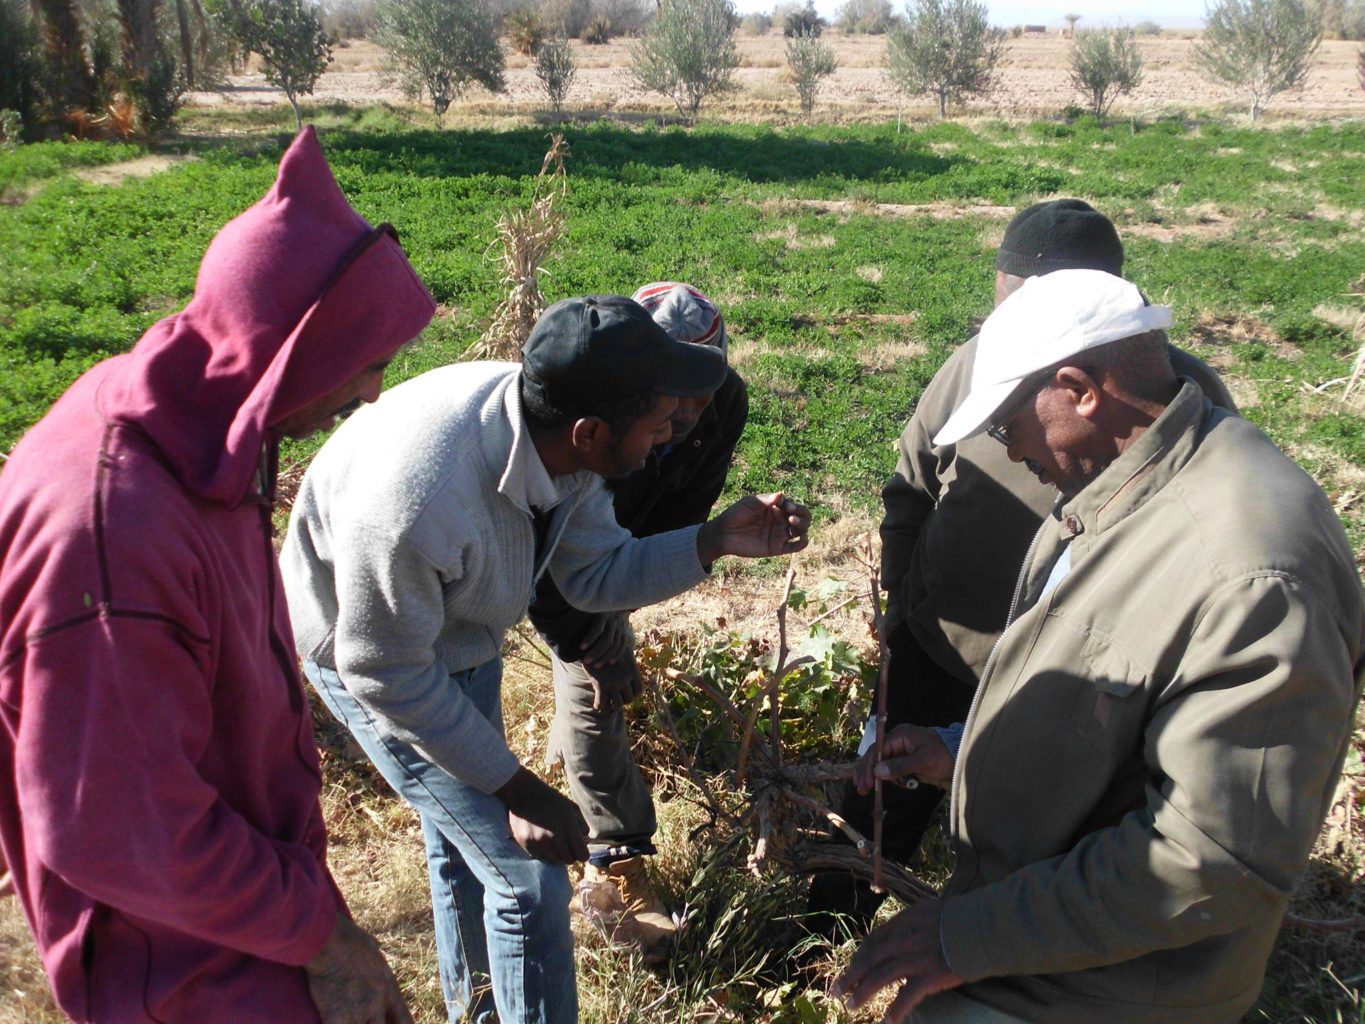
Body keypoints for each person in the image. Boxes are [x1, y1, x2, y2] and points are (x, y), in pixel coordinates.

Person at [833, 269, 1365, 1024]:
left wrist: (969, 937)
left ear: (1079, 389)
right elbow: (1124, 712)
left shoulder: (1253, 573)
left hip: (1106, 989)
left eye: (1006, 421)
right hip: (1051, 946)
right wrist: (962, 753)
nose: (1006, 447)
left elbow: (1210, 858)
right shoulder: (1116, 491)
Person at [0, 127, 437, 1023]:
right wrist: (323, 936)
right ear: (288, 354)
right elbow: (120, 827)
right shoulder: (115, 536)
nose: (368, 396)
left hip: (239, 916)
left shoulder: (191, 427)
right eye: (364, 365)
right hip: (180, 966)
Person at [279, 294, 809, 1024]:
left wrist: (712, 541)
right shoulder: (418, 501)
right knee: (527, 879)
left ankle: (480, 1010)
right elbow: (385, 669)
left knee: (464, 844)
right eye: (659, 424)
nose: (670, 438)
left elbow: (593, 573)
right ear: (594, 433)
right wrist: (517, 787)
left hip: (456, 631)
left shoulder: (566, 439)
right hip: (366, 649)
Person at [808, 199, 1237, 928]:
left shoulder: (1173, 393)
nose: (1012, 446)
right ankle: (824, 925)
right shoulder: (977, 361)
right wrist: (902, 602)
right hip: (943, 641)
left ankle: (986, 936)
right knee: (885, 793)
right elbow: (911, 484)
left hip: (1069, 668)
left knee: (1042, 823)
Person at [526, 281, 747, 961]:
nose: (685, 415)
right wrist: (590, 637)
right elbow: (546, 561)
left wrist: (629, 591)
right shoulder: (589, 418)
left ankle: (575, 753)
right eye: (669, 399)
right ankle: (611, 860)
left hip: (613, 550)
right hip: (539, 563)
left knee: (605, 651)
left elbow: (680, 513)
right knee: (597, 689)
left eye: (698, 395)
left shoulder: (722, 400)